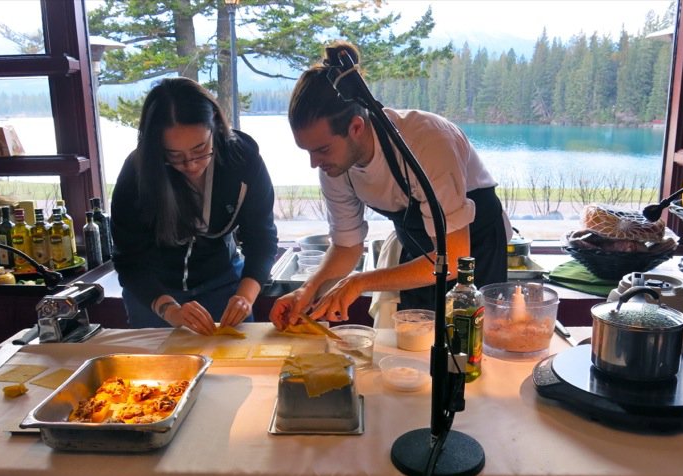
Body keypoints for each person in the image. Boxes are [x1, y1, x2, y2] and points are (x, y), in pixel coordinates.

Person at [270, 42, 508, 329]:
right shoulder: (335, 167)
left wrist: (360, 281)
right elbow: (347, 247)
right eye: (307, 151)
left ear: (356, 127)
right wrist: (307, 290)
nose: (314, 163)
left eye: (321, 150)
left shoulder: (426, 142)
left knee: (470, 348)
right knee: (417, 344)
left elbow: (456, 255)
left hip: (475, 249)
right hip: (421, 253)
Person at [111, 77, 278, 334]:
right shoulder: (137, 174)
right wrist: (169, 309)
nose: (190, 165)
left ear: (214, 124)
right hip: (154, 294)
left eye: (200, 149)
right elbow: (129, 260)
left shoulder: (243, 160)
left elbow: (262, 238)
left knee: (238, 367)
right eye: (174, 155)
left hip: (224, 284)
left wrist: (245, 297)